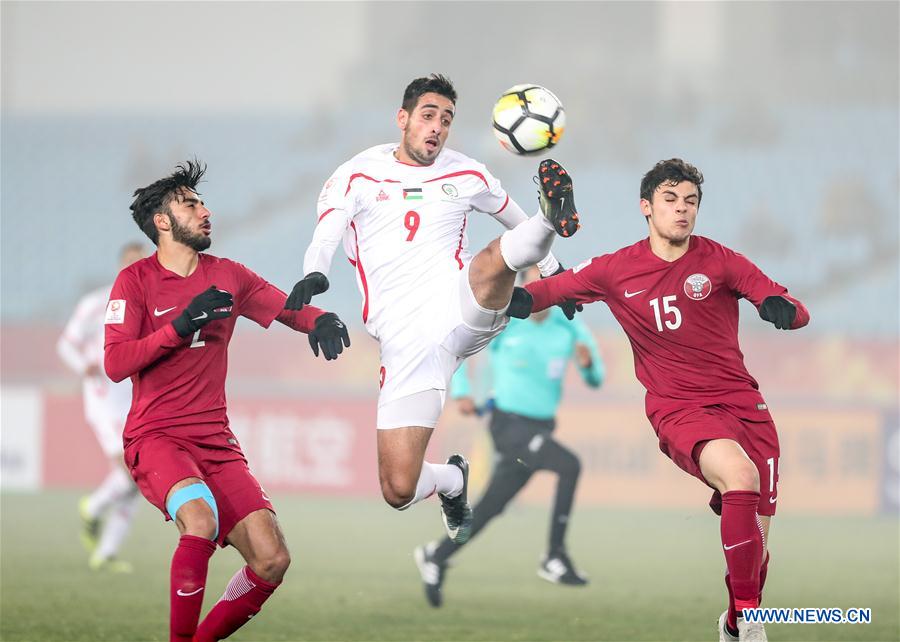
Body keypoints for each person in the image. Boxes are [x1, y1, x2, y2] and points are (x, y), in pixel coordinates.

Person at [285, 74, 582, 544]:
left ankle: (553, 214)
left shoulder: (468, 173)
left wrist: (555, 270)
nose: (437, 128)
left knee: (492, 261)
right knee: (398, 487)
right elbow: (328, 230)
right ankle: (453, 481)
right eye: (428, 116)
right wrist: (314, 272)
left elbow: (511, 218)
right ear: (402, 119)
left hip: (457, 303)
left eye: (446, 120)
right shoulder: (356, 174)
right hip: (406, 342)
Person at [521, 159, 809, 642]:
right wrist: (489, 300)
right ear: (646, 208)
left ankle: (736, 623)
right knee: (742, 477)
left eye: (691, 202)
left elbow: (789, 305)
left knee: (757, 546)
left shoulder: (721, 261)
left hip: (745, 407)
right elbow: (545, 292)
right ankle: (753, 622)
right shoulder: (616, 269)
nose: (682, 210)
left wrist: (783, 309)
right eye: (671, 200)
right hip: (679, 409)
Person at [105, 160, 351, 642]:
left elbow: (285, 308)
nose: (205, 211)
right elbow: (116, 364)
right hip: (157, 438)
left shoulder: (228, 275)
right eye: (191, 204)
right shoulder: (134, 282)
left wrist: (320, 319)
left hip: (215, 441)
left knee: (272, 559)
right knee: (199, 521)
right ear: (162, 220)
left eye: (202, 202)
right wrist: (179, 327)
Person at [414, 265, 604, 607]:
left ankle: (435, 556)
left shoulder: (571, 327)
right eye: (529, 284)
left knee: (489, 509)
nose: (535, 292)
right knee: (569, 465)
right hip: (508, 424)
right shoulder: (506, 319)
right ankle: (555, 555)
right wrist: (462, 391)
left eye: (543, 284)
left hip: (540, 427)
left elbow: (595, 379)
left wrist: (588, 365)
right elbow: (459, 347)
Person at [58, 241, 146, 572]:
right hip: (104, 402)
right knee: (129, 471)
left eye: (141, 262)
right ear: (120, 265)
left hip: (136, 401)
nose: (135, 267)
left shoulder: (150, 305)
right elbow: (66, 344)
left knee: (139, 476)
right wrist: (84, 365)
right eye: (130, 262)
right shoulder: (96, 303)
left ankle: (106, 552)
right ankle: (92, 508)